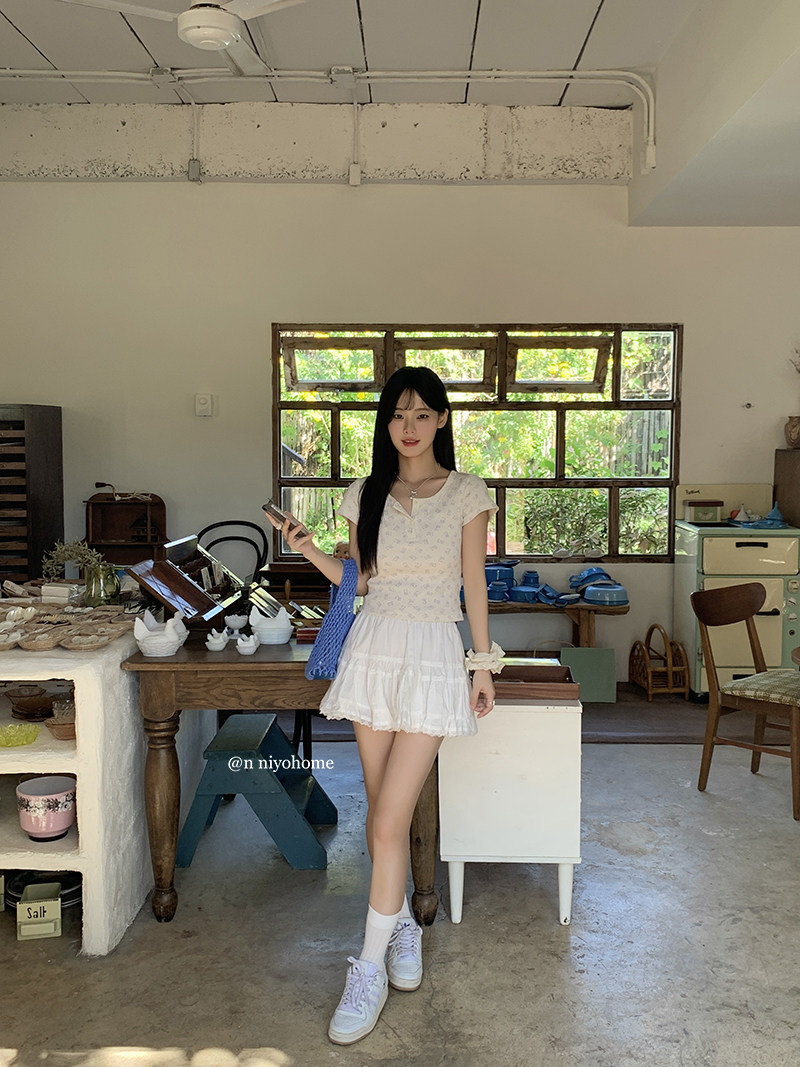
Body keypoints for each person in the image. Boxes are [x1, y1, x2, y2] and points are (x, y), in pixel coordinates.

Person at [268, 366, 503, 1045]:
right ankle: (400, 926)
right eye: (398, 414)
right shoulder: (365, 492)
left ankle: (367, 965)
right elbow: (360, 581)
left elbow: (474, 583)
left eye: (422, 413)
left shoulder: (467, 492)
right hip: (373, 649)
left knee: (390, 817)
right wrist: (309, 548)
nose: (409, 426)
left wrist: (481, 664)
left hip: (431, 653)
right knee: (381, 817)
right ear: (387, 422)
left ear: (442, 420)